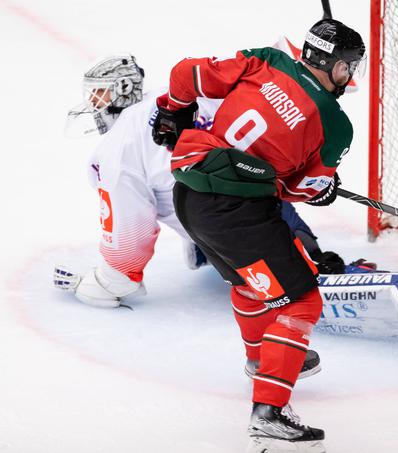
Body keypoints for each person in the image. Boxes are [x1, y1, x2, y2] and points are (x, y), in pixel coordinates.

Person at [52, 53, 342, 379]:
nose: (94, 104)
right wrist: (313, 179)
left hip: (218, 218)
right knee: (290, 253)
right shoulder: (165, 96)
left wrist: (102, 283)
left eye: (100, 94)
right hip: (259, 195)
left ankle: (297, 317)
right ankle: (310, 265)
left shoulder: (115, 151)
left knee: (294, 287)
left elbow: (128, 240)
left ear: (122, 89)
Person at [151, 18, 366, 452]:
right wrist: (321, 191)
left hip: (189, 196)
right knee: (302, 300)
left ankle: (260, 358)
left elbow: (185, 75)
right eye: (350, 67)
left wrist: (173, 108)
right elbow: (292, 190)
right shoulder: (336, 126)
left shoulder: (265, 61)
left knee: (250, 284)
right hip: (238, 213)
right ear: (336, 65)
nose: (351, 76)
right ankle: (270, 413)